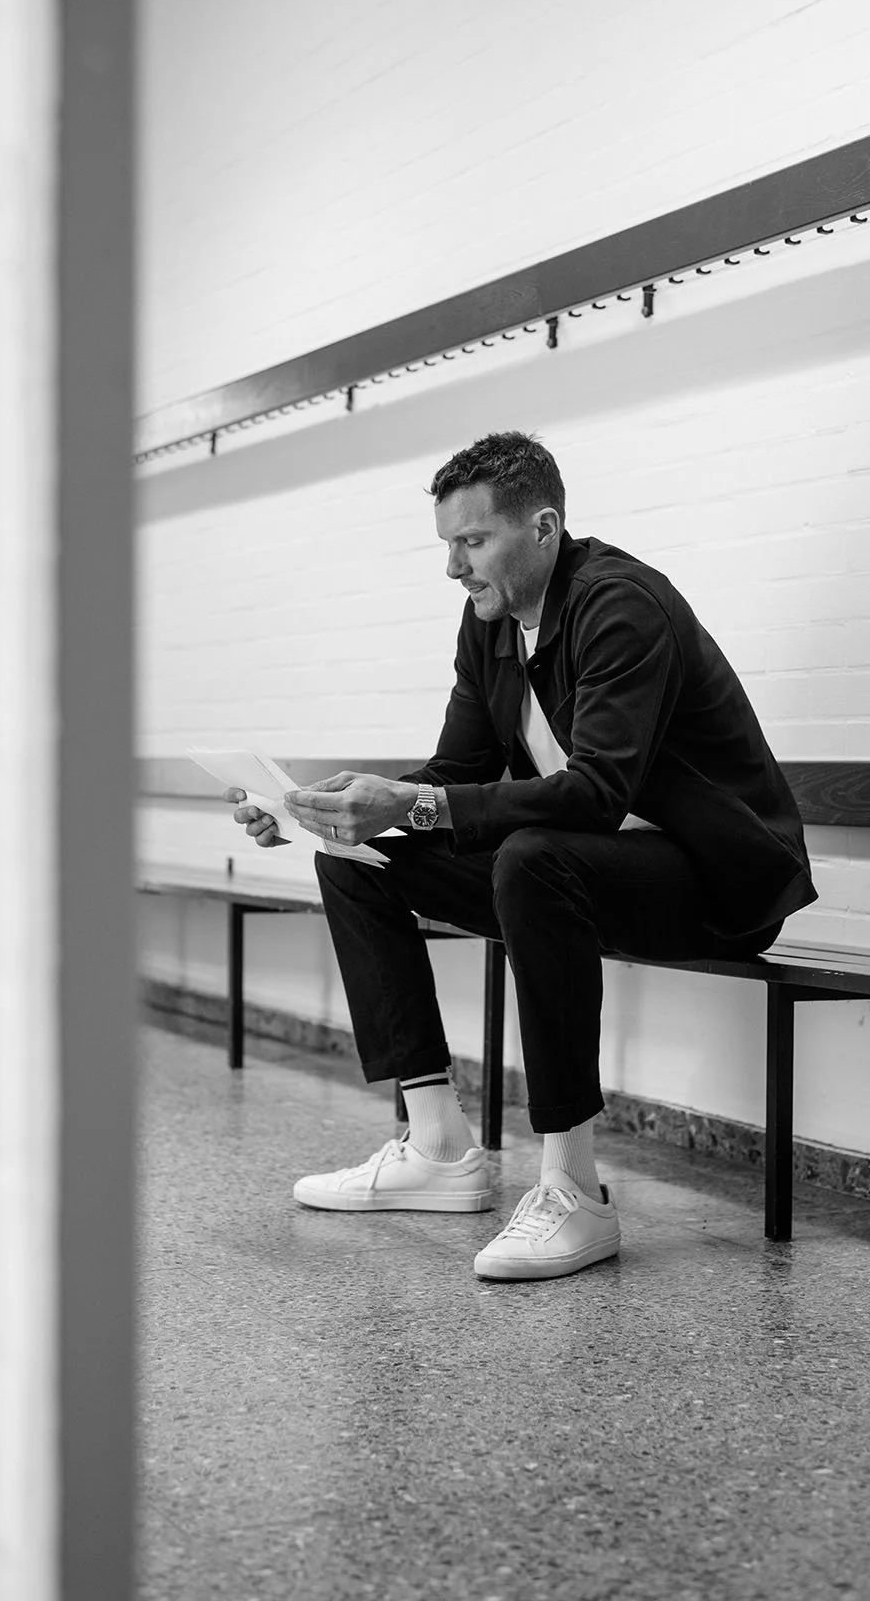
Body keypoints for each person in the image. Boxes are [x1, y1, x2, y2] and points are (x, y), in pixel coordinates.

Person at [229, 431, 816, 1282]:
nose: (455, 570)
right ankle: (436, 1146)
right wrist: (321, 811)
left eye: (473, 543)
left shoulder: (622, 605)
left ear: (543, 527)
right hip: (597, 869)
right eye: (449, 546)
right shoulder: (490, 625)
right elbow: (456, 775)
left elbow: (596, 793)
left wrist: (412, 802)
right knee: (362, 866)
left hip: (722, 883)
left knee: (533, 859)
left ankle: (573, 1189)